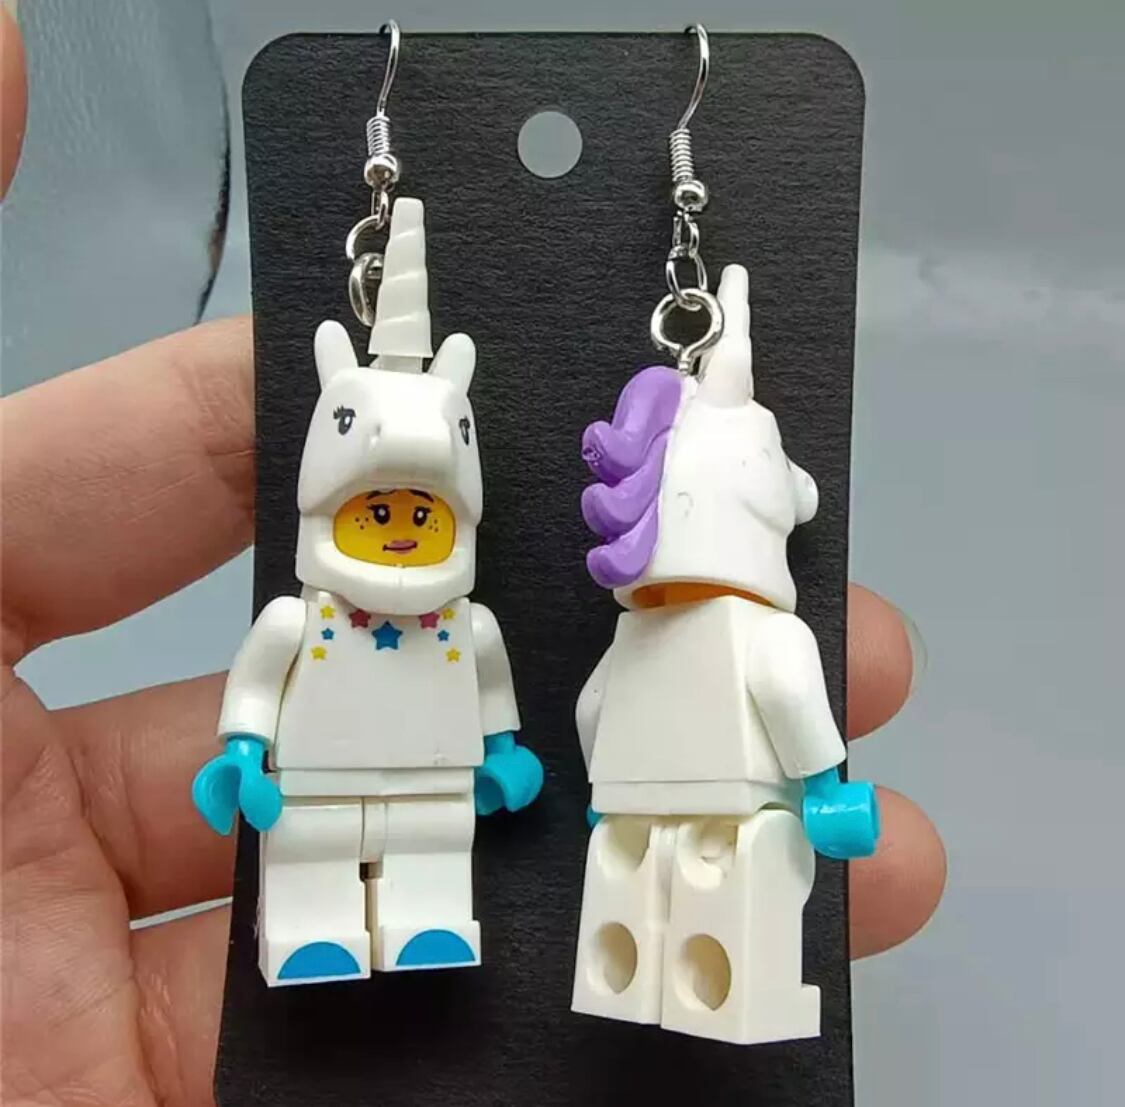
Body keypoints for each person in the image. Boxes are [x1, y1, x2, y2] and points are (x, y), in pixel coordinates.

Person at [0, 11, 945, 1105]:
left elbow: (591, 703)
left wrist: (506, 751)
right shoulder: (308, 619)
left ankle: (436, 923)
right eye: (379, 510)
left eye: (421, 511)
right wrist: (245, 751)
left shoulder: (491, 625)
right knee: (314, 865)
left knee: (497, 876)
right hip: (334, 784)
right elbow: (273, 680)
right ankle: (314, 930)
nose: (402, 531)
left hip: (522, 792)